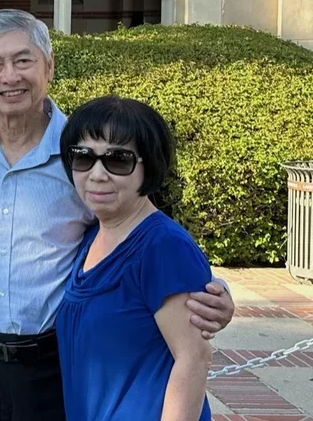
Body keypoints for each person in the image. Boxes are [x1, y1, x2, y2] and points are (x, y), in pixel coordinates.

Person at [0, 9, 234, 421]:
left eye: (23, 60)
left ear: (49, 67)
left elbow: (144, 231)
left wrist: (210, 292)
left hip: (55, 364)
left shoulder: (82, 152)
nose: (9, 76)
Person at [56, 96, 213, 420]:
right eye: (84, 157)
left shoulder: (164, 247)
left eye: (118, 160)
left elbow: (193, 358)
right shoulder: (90, 238)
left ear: (149, 165)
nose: (97, 174)